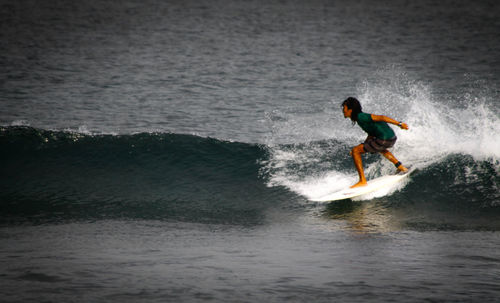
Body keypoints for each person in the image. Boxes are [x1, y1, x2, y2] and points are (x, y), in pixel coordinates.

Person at [342, 97, 409, 188]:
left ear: (351, 110)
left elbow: (382, 117)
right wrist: (363, 146)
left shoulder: (361, 117)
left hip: (384, 139)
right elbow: (371, 134)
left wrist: (399, 124)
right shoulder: (359, 119)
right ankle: (400, 166)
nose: (343, 110)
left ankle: (362, 180)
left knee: (356, 150)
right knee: (377, 147)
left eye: (344, 108)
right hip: (391, 138)